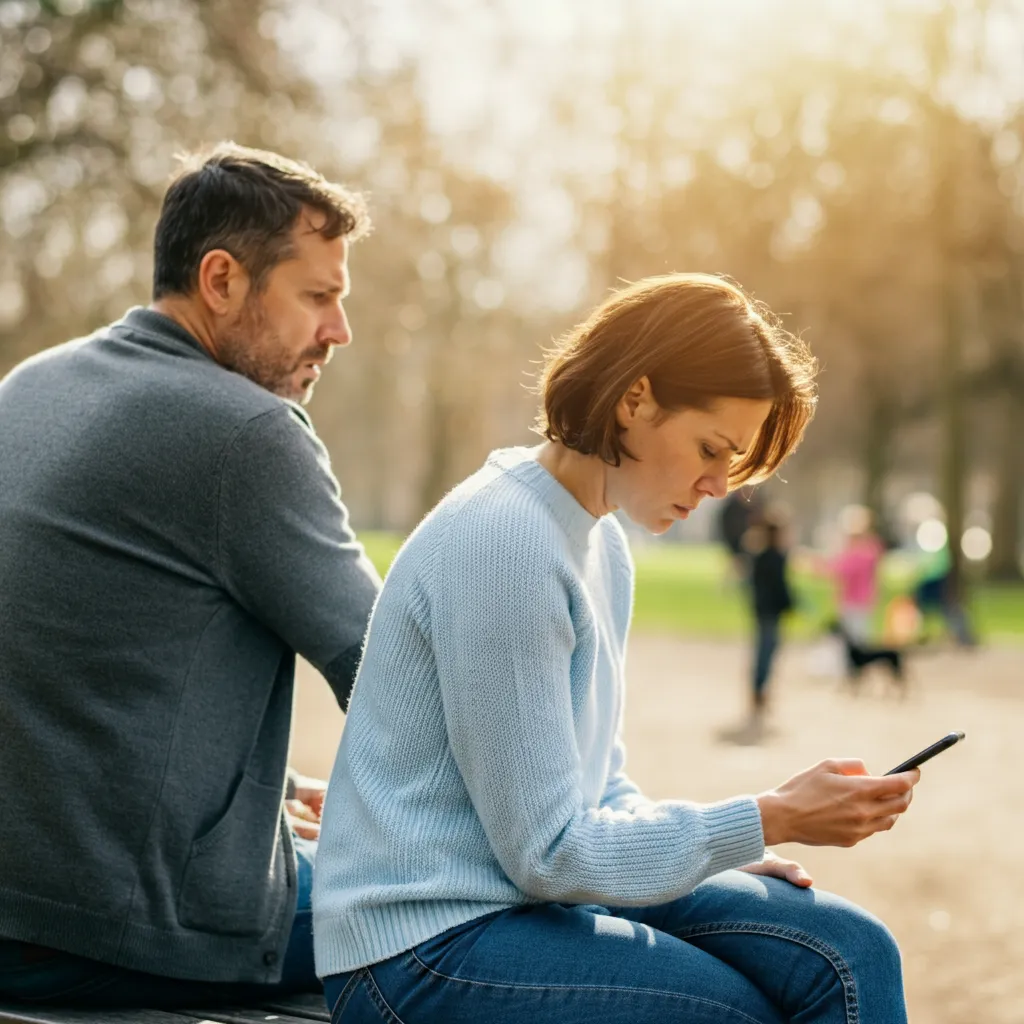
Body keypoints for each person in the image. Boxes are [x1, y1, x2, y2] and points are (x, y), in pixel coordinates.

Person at [312, 274, 920, 1023]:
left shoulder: (600, 545)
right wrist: (767, 817)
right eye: (711, 447)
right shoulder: (505, 542)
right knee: (742, 1014)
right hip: (419, 947)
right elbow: (548, 854)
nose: (719, 484)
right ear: (635, 399)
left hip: (518, 901)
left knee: (849, 951)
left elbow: (600, 789)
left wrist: (719, 850)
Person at [0, 144, 382, 1006]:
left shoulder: (30, 386)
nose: (338, 331)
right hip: (120, 931)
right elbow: (402, 681)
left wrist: (256, 799)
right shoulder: (247, 432)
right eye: (317, 297)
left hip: (22, 905)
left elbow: (76, 664)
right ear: (221, 279)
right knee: (471, 903)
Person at [744, 515, 795, 737]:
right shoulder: (775, 557)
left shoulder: (758, 556)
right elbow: (780, 587)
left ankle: (759, 695)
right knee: (766, 654)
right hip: (770, 613)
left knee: (763, 654)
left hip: (762, 612)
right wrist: (790, 605)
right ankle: (759, 696)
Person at [820, 505, 885, 644]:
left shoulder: (860, 553)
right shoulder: (870, 549)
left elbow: (838, 570)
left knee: (855, 638)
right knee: (859, 634)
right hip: (863, 599)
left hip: (854, 601)